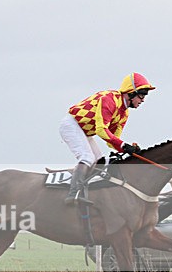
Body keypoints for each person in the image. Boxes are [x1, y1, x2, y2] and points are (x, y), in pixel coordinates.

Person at [59, 73, 155, 205]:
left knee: (100, 161)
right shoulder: (109, 99)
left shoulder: (124, 113)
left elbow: (112, 141)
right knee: (87, 158)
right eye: (142, 95)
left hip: (83, 131)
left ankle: (86, 191)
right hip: (72, 124)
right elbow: (101, 130)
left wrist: (128, 150)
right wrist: (123, 145)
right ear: (131, 93)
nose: (143, 100)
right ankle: (73, 194)